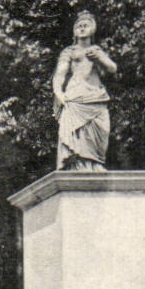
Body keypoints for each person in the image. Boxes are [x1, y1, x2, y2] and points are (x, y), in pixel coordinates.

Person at [52, 11, 118, 171]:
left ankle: (95, 164)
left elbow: (112, 68)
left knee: (100, 133)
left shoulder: (96, 51)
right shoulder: (70, 52)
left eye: (85, 25)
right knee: (75, 136)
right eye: (79, 26)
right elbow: (59, 75)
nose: (82, 28)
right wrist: (58, 92)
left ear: (92, 29)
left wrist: (99, 57)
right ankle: (76, 166)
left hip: (96, 97)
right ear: (75, 31)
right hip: (76, 98)